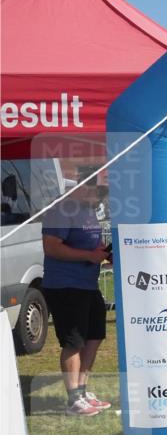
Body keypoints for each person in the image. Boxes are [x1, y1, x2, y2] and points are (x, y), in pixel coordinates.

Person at [42, 176, 113, 416]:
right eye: (101, 191)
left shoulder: (89, 209)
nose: (103, 197)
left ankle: (82, 391)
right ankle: (73, 399)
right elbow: (51, 247)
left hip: (88, 285)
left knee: (94, 337)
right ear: (84, 187)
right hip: (65, 286)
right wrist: (88, 255)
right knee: (74, 341)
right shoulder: (61, 209)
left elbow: (93, 245)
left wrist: (104, 253)